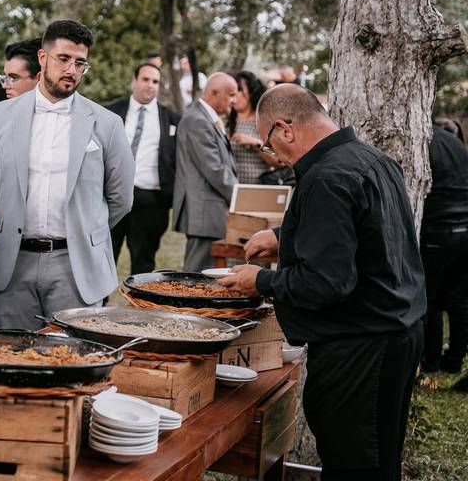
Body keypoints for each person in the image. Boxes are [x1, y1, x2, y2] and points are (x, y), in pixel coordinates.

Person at [219, 84, 426, 481]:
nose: (274, 156)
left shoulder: (325, 178)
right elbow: (365, 235)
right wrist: (284, 237)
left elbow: (327, 283)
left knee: (354, 464)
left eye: (268, 145)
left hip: (361, 345)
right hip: (398, 332)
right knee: (381, 457)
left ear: (285, 129)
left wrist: (261, 280)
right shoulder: (372, 158)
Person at [0, 19, 134, 329]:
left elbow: (121, 199)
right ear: (43, 58)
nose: (71, 70)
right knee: (13, 359)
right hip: (13, 262)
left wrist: (85, 226)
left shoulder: (107, 124)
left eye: (80, 63)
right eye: (63, 59)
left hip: (75, 265)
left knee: (73, 361)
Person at [106, 62, 180, 274]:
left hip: (151, 201)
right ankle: (98, 306)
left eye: (155, 81)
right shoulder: (111, 112)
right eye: (146, 79)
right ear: (134, 81)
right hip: (113, 196)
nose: (150, 85)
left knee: (144, 264)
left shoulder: (171, 119)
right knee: (104, 258)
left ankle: (140, 307)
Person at [172, 72, 238, 272]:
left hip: (210, 211)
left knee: (206, 274)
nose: (234, 101)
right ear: (215, 93)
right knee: (196, 276)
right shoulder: (197, 120)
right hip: (204, 211)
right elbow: (215, 169)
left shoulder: (205, 118)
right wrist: (242, 197)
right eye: (231, 95)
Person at [419, 125, 468, 376]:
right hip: (464, 227)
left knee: (429, 299)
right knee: (458, 298)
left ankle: (431, 362)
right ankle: (455, 360)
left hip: (437, 228)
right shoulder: (455, 142)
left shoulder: (424, 141)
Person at [226, 71, 273, 184]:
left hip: (258, 188)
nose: (234, 95)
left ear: (251, 92)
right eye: (231, 91)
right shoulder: (224, 121)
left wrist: (256, 143)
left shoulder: (263, 122)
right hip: (230, 190)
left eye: (239, 90)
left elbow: (277, 157)